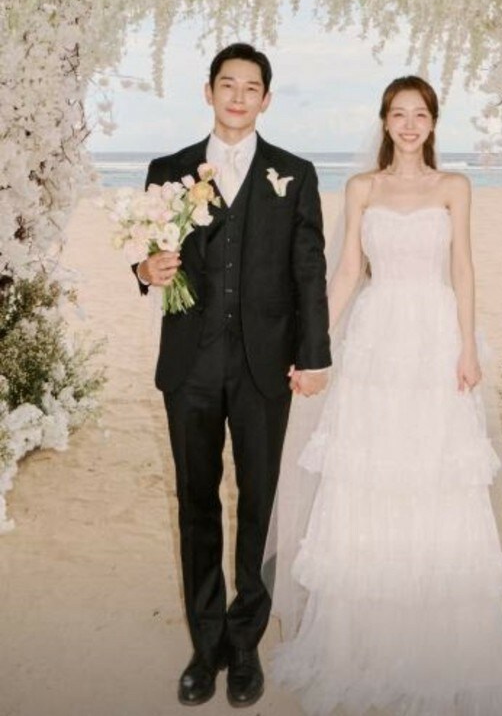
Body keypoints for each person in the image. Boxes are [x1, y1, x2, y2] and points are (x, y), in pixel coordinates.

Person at [270, 75, 502, 716]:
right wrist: (313, 347)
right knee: (370, 471)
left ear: (433, 123)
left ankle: (442, 643)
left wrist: (467, 347)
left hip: (436, 339)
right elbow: (347, 273)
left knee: (435, 473)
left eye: (420, 115)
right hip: (376, 339)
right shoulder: (363, 187)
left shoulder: (454, 186)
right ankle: (362, 644)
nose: (409, 124)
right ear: (384, 122)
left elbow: (463, 267)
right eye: (398, 114)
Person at [134, 43, 331, 708]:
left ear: (266, 100)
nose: (239, 96)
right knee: (196, 503)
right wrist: (145, 270)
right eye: (228, 84)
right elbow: (145, 253)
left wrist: (314, 354)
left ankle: (245, 644)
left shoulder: (294, 174)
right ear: (209, 92)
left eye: (251, 87)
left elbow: (309, 270)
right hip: (188, 366)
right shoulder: (167, 171)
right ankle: (206, 644)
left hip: (263, 367)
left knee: (259, 503)